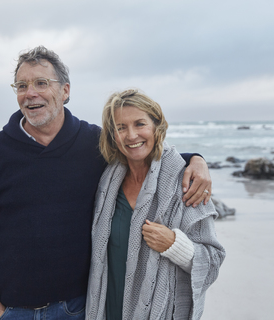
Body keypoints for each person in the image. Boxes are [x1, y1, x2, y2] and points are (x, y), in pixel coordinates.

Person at [0, 46, 213, 320]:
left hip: (77, 308)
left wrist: (195, 160)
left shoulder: (94, 144)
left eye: (41, 83)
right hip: (10, 309)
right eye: (21, 85)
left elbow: (140, 151)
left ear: (65, 91)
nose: (30, 93)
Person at [86, 89, 226, 320]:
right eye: (121, 127)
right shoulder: (106, 182)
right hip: (108, 308)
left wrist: (175, 244)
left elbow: (213, 261)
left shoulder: (186, 183)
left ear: (156, 126)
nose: (131, 135)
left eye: (140, 124)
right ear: (113, 135)